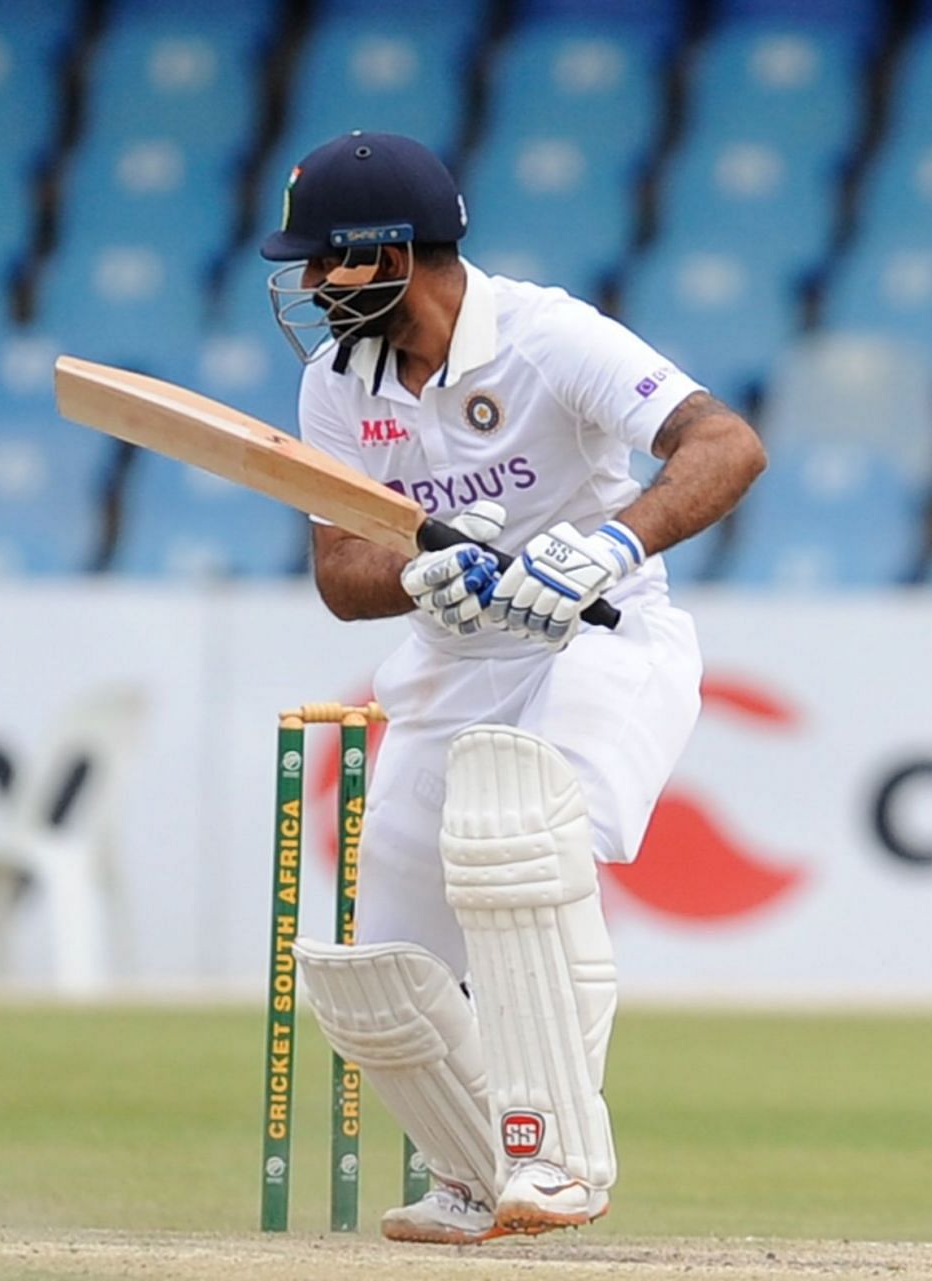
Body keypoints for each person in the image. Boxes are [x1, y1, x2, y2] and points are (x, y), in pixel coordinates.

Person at [261, 131, 767, 1245]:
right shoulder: (335, 385)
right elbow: (343, 573)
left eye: (322, 263)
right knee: (380, 971)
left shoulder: (547, 338)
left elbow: (727, 444)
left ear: (390, 253)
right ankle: (468, 1171)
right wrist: (420, 571)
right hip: (455, 664)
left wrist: (613, 546)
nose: (303, 285)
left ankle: (559, 1160)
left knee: (519, 843)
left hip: (602, 637)